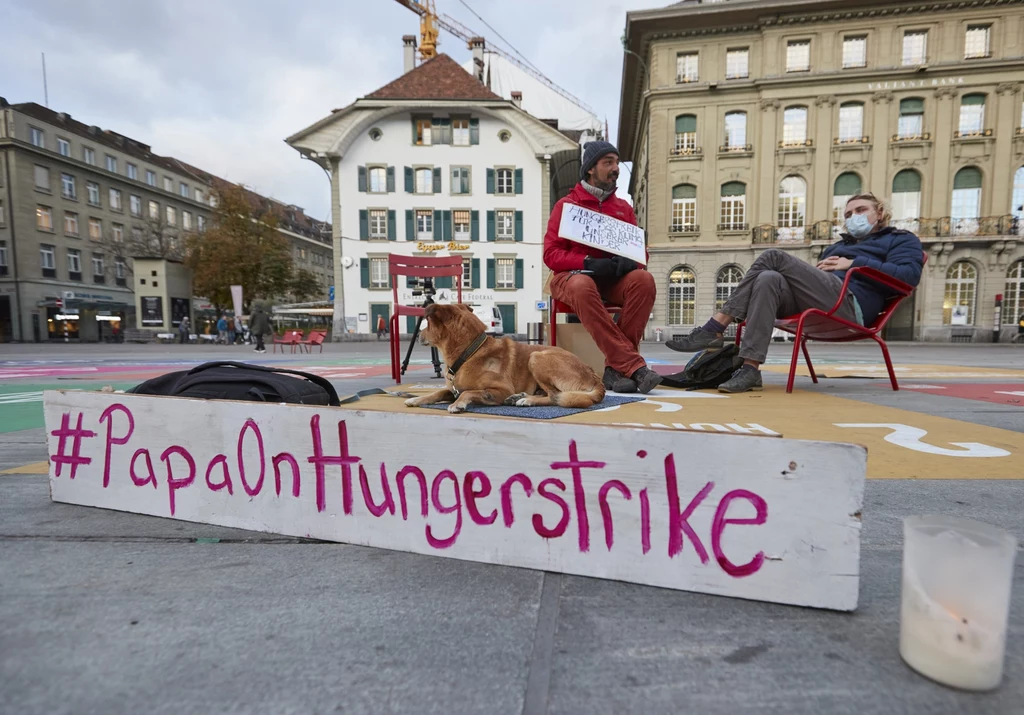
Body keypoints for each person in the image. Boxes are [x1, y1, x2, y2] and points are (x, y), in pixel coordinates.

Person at [666, 192, 924, 393]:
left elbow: (909, 277)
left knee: (772, 256)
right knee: (768, 277)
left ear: (879, 213)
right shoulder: (836, 246)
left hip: (851, 305)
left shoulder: (900, 239)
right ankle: (749, 369)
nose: (852, 217)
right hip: (824, 300)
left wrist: (853, 264)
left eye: (860, 210)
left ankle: (714, 328)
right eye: (847, 214)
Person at [543, 141, 661, 394]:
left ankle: (615, 369)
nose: (615, 168)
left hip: (611, 280)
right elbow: (551, 255)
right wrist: (586, 262)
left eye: (617, 162)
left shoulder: (623, 209)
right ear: (590, 169)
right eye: (608, 162)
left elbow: (641, 256)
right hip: (572, 278)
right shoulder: (566, 205)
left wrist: (630, 262)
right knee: (582, 284)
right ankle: (633, 366)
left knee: (644, 280)